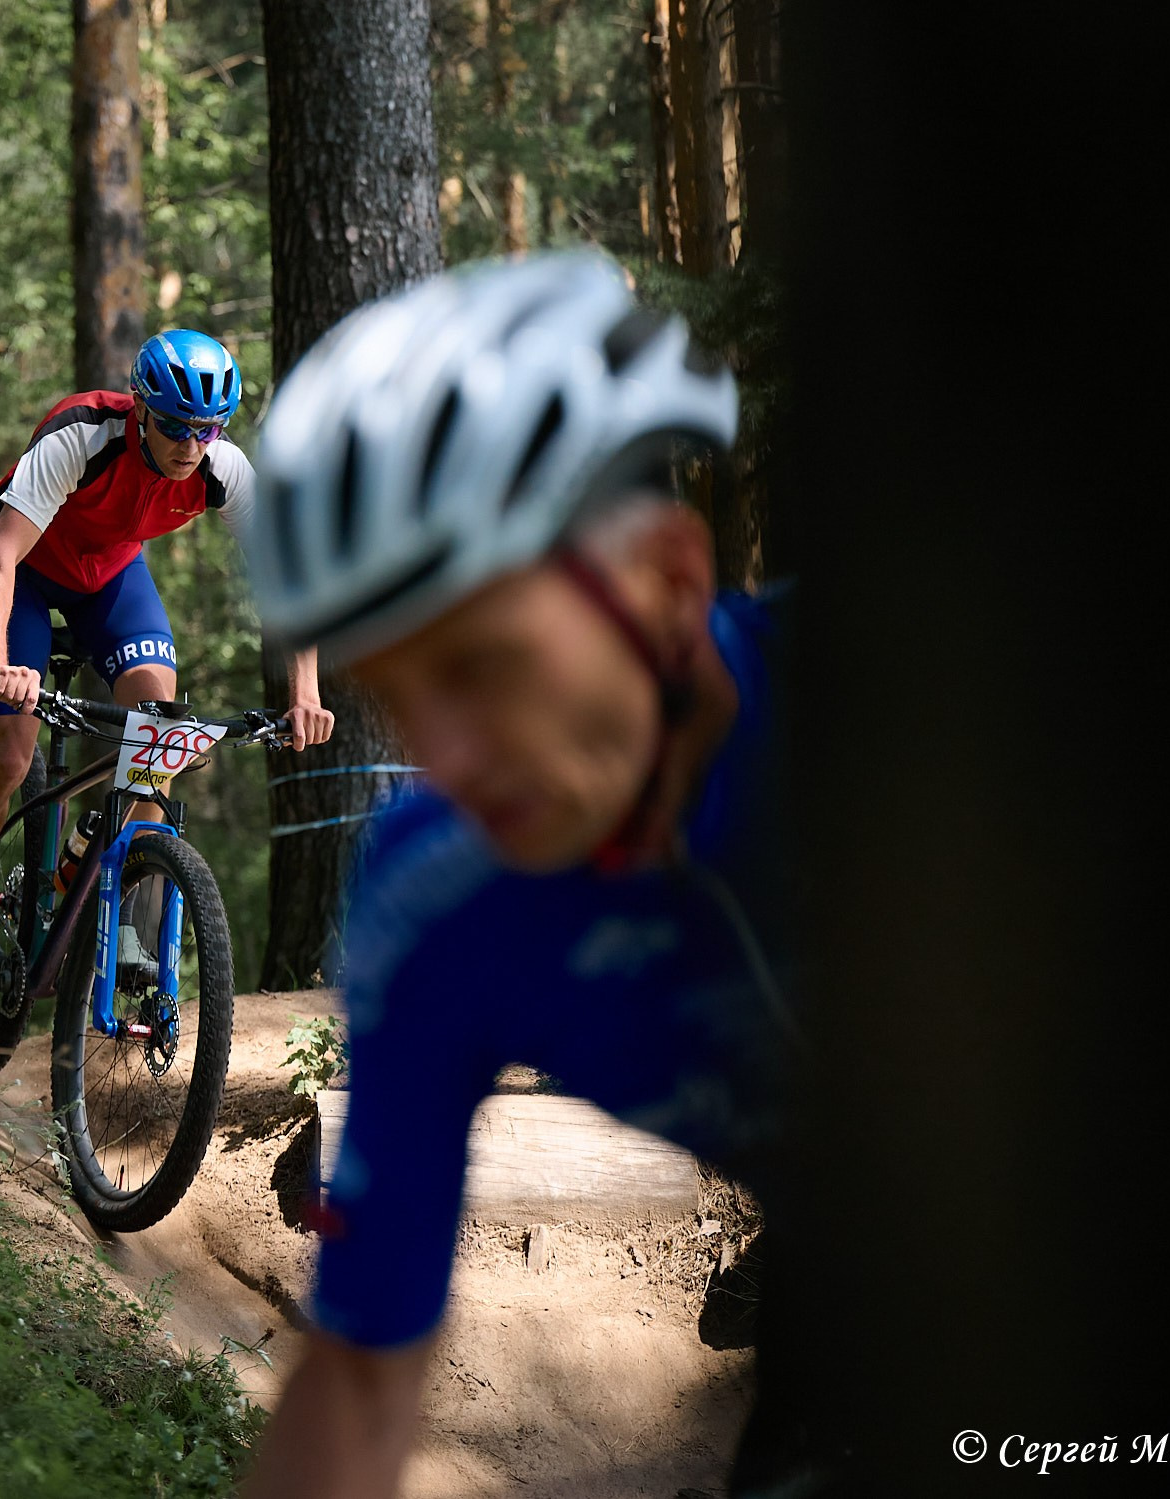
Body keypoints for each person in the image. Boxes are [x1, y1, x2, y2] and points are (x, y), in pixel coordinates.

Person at [237, 253, 803, 1498]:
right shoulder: (440, 892)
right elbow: (365, 1373)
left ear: (667, 579)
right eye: (396, 689)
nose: (438, 758)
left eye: (483, 666)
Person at [0, 330, 336, 984]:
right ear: (141, 408)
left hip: (109, 580)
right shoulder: (81, 437)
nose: (189, 444)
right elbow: (0, 555)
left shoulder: (222, 468)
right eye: (175, 425)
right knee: (8, 754)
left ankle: (129, 924)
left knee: (161, 734)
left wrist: (305, 693)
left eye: (208, 428)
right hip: (28, 573)